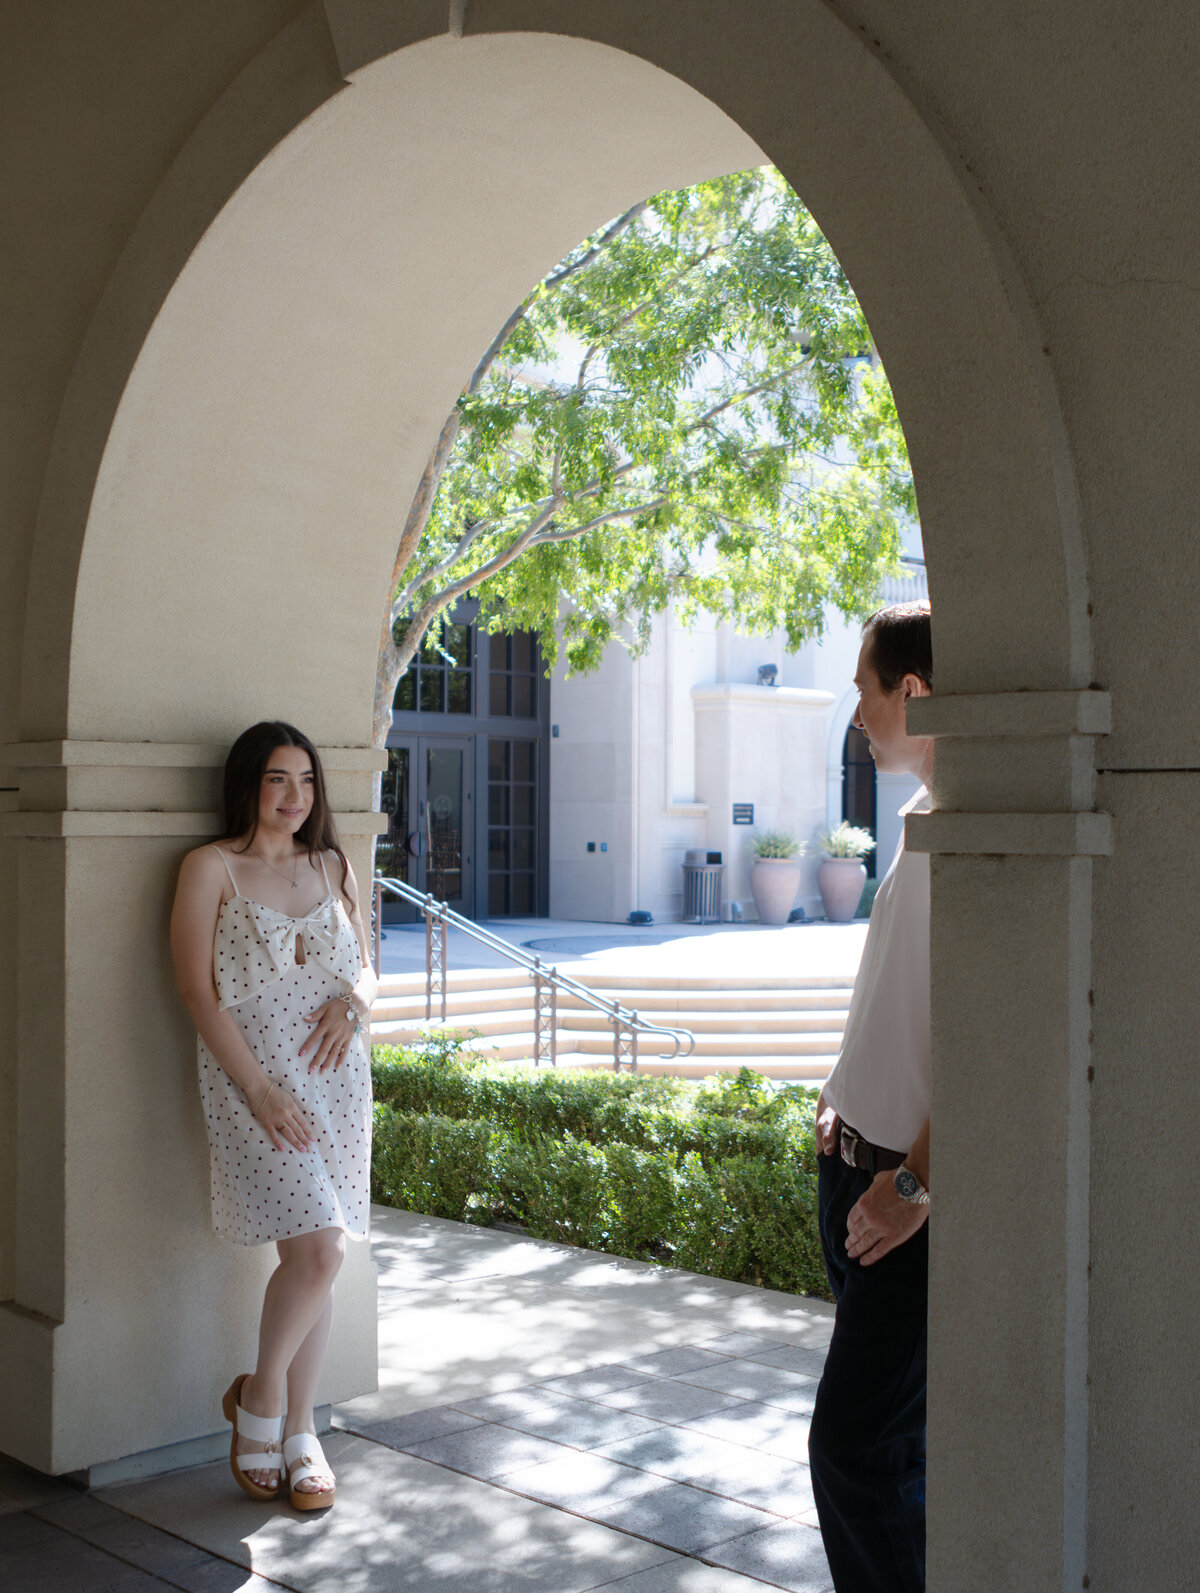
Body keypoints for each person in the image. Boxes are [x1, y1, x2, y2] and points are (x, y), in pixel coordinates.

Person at [171, 721, 377, 1511]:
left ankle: (300, 1431)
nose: (295, 798)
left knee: (319, 1255)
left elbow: (366, 965)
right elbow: (196, 990)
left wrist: (354, 1007)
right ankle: (259, 1404)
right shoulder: (209, 867)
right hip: (257, 1083)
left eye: (307, 781)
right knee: (321, 1251)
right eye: (277, 781)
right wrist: (257, 1088)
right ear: (249, 785)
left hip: (336, 1081)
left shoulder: (332, 863)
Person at [808, 601, 934, 1593]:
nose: (858, 713)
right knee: (893, 1456)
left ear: (914, 691)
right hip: (852, 1169)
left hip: (902, 1201)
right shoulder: (923, 819)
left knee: (854, 1453)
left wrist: (918, 1183)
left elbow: (1001, 1032)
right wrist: (840, 1097)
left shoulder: (976, 831)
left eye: (864, 691)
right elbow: (900, 992)